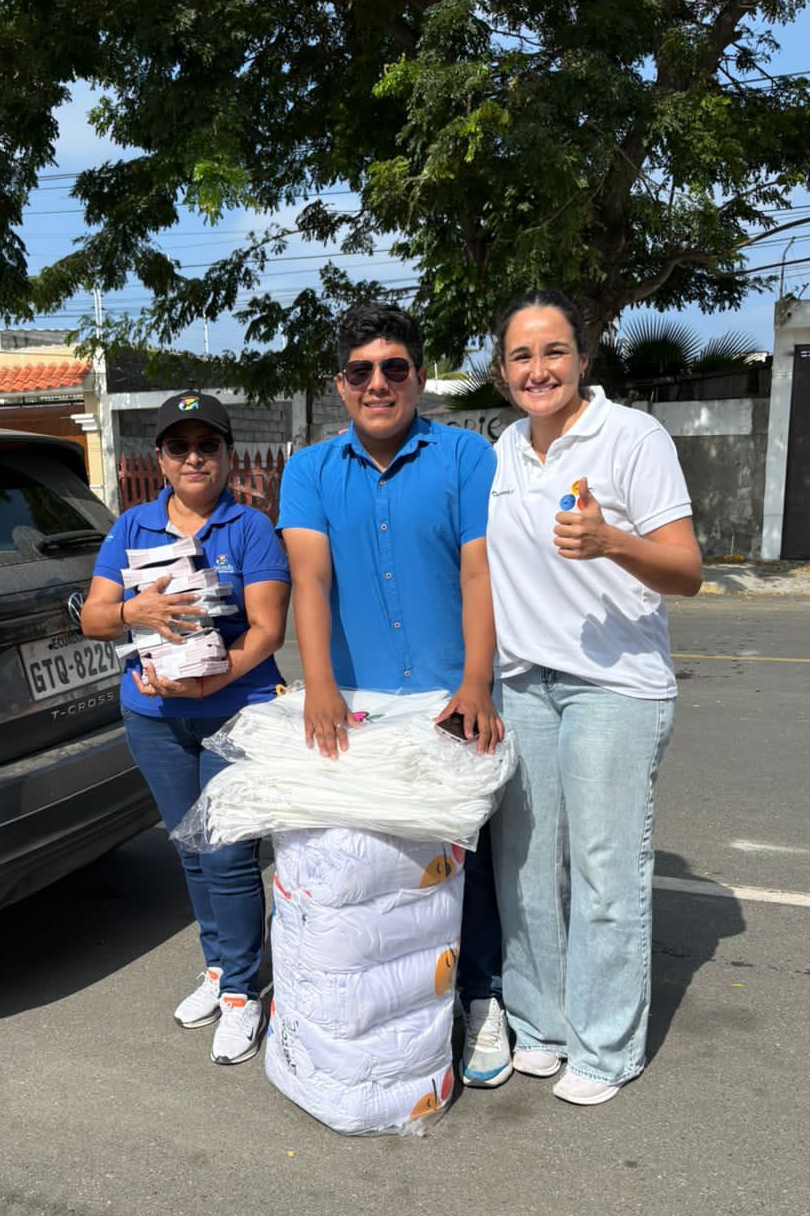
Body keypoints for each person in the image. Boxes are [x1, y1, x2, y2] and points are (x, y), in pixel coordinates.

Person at [277, 303, 512, 1089]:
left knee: (466, 858)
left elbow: (479, 571)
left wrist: (476, 680)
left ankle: (480, 995)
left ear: (418, 374)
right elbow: (309, 578)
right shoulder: (310, 471)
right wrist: (318, 684)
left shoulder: (465, 457)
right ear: (340, 383)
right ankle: (400, 1016)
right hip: (359, 705)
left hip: (451, 696)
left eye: (394, 367)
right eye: (360, 371)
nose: (377, 384)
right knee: (382, 871)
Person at [485, 288, 703, 1105]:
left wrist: (611, 540)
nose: (538, 369)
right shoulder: (503, 450)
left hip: (613, 686)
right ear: (502, 370)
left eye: (554, 351)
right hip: (522, 683)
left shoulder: (633, 437)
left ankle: (605, 1046)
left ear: (583, 357)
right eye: (521, 355)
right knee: (526, 869)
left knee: (606, 869)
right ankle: (540, 1026)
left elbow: (687, 571)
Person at [81, 391, 290, 1065]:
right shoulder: (131, 528)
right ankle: (219, 967)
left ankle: (242, 993)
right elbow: (93, 618)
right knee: (190, 850)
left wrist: (210, 682)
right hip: (155, 718)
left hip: (235, 712)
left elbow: (267, 630)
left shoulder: (249, 528)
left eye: (207, 445)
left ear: (228, 456)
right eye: (180, 447)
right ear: (161, 459)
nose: (194, 457)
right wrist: (133, 611)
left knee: (227, 855)